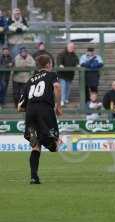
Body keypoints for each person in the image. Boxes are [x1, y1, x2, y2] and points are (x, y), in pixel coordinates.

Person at [17, 54, 62, 184]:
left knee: (35, 146)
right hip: (45, 110)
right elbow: (57, 87)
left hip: (30, 112)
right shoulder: (51, 75)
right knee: (54, 146)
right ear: (48, 64)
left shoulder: (30, 80)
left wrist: (32, 107)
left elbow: (20, 107)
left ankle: (34, 177)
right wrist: (58, 106)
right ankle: (50, 142)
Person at [56, 42, 80, 106]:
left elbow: (77, 62)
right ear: (67, 47)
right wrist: (60, 65)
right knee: (63, 87)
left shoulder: (74, 55)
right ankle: (62, 100)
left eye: (73, 47)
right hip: (62, 74)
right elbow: (59, 60)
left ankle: (66, 99)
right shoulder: (62, 54)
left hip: (70, 75)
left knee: (68, 88)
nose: (72, 48)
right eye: (70, 47)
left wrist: (78, 65)